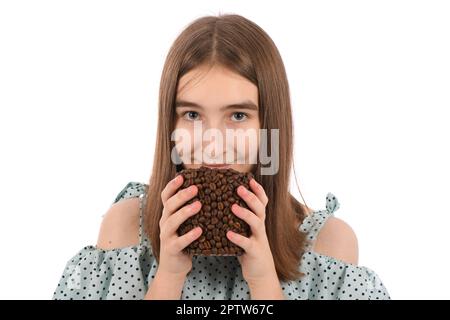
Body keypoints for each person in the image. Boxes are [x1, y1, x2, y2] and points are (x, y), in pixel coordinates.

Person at [53, 14, 390, 300]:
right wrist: (168, 276)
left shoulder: (329, 246)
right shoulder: (125, 229)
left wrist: (263, 281)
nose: (212, 145)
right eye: (192, 115)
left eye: (238, 116)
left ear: (269, 126)